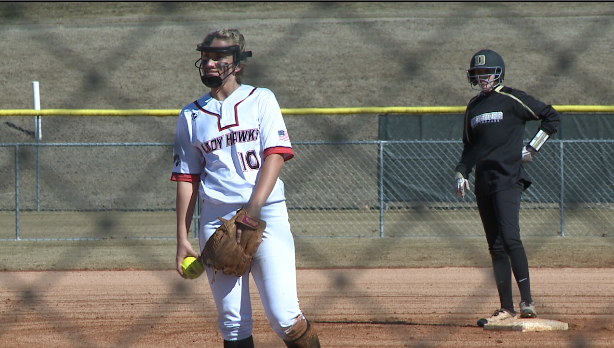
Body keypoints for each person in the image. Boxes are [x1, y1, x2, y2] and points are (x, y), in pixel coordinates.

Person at [171, 28, 321, 348]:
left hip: (265, 215)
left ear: (237, 63)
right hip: (217, 220)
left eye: (218, 57)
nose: (209, 63)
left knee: (284, 316)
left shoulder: (261, 99)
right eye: (206, 56)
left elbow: (276, 155)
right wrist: (182, 238)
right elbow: (187, 178)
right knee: (233, 323)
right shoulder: (191, 115)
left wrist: (252, 210)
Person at [453, 49, 561, 327]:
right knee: (496, 246)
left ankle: (527, 302)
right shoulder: (473, 107)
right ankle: (506, 309)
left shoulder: (512, 99)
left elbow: (551, 117)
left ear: (498, 73)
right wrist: (461, 173)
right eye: (478, 74)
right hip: (483, 183)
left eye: (487, 72)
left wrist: (532, 148)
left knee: (511, 238)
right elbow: (469, 149)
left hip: (508, 178)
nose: (482, 77)